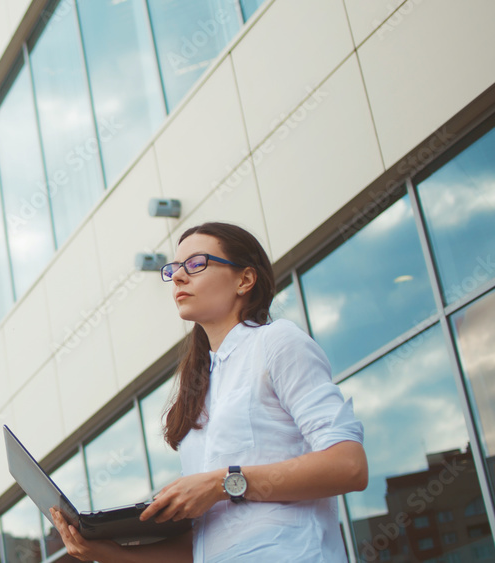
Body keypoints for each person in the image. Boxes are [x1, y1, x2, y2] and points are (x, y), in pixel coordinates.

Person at [50, 222, 368, 562]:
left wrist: (220, 484)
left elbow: (349, 466)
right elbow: (204, 547)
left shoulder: (276, 342)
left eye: (196, 264)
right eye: (173, 269)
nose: (178, 277)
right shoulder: (201, 387)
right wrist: (106, 552)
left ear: (245, 280)